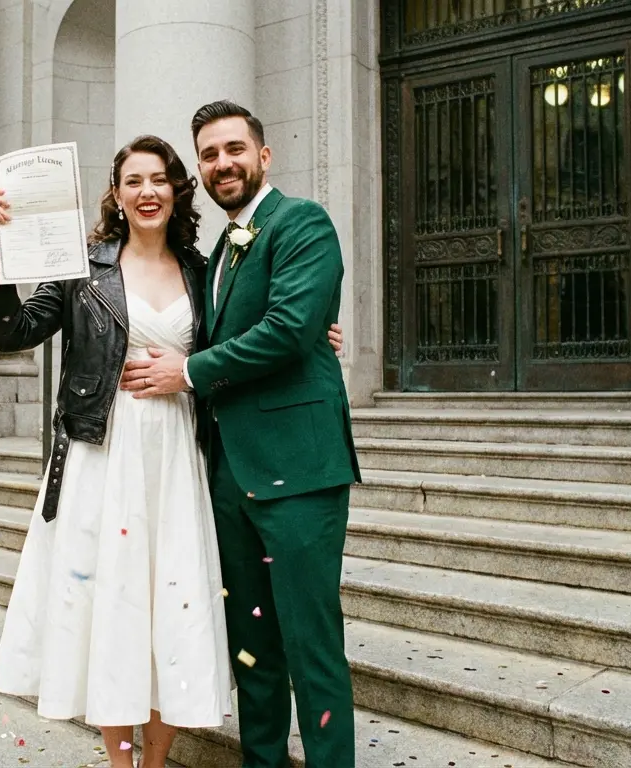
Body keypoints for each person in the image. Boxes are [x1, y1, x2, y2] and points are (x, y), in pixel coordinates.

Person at [0, 135, 344, 768]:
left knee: (167, 613)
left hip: (178, 458)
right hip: (104, 455)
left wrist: (317, 337)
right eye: (132, 181)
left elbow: (255, 332)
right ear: (115, 195)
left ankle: (155, 763)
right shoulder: (79, 268)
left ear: (178, 190)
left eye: (159, 179)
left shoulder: (206, 271)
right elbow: (14, 332)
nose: (147, 191)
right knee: (114, 611)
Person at [121, 101, 361, 767]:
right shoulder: (220, 252)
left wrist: (188, 371)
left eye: (234, 148)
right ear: (198, 170)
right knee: (252, 645)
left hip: (301, 471)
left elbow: (288, 327)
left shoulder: (301, 223)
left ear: (264, 156)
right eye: (208, 154)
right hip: (228, 475)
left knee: (311, 645)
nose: (222, 163)